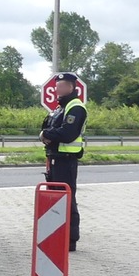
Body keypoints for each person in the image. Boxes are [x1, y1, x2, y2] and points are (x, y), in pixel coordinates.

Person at [40, 72, 87, 250]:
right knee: (56, 198)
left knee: (67, 199)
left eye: (60, 86)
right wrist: (46, 134)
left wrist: (47, 135)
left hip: (66, 160)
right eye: (56, 86)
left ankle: (70, 240)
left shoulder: (76, 108)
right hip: (55, 158)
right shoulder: (60, 108)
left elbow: (67, 134)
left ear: (70, 87)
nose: (57, 89)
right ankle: (57, 234)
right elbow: (47, 128)